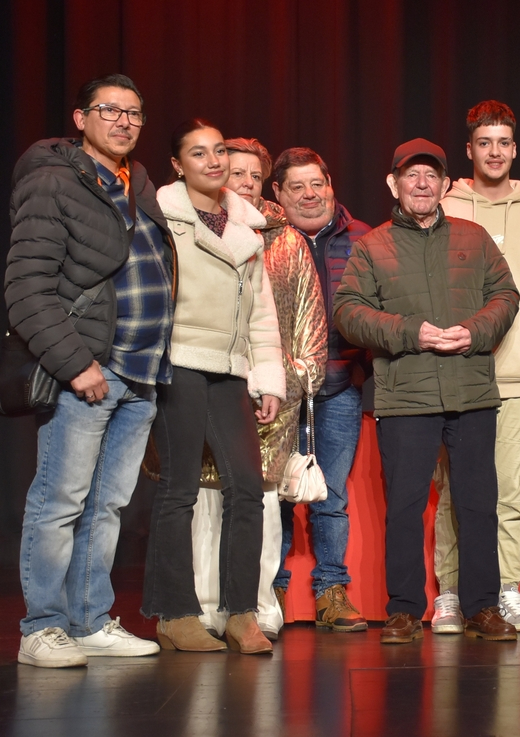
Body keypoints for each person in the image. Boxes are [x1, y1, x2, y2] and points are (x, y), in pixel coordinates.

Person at [7, 74, 173, 667]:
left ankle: (88, 620)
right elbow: (26, 289)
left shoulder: (137, 185)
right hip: (90, 369)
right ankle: (41, 628)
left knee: (106, 506)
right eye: (110, 110)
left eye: (134, 113)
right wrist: (76, 364)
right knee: (60, 501)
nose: (124, 122)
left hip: (141, 370)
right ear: (81, 119)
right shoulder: (53, 181)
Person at [334, 138, 520, 644]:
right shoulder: (372, 246)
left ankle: (483, 607)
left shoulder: (473, 238)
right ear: (393, 183)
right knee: (405, 506)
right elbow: (348, 311)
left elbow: (506, 295)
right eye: (411, 175)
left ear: (445, 184)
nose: (421, 183)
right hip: (405, 394)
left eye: (431, 175)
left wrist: (475, 331)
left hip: (471, 390)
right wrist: (408, 332)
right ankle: (403, 610)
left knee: (478, 504)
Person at [141, 119, 285, 655]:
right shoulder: (160, 214)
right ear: (177, 165)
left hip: (230, 366)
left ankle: (241, 613)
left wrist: (267, 377)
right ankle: (176, 615)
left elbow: (262, 311)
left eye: (219, 150)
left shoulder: (245, 223)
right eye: (198, 153)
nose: (213, 161)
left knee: (247, 485)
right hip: (179, 358)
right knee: (179, 487)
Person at [187, 138, 328, 641]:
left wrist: (291, 380)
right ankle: (206, 605)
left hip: (272, 399)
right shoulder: (199, 228)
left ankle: (259, 602)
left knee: (264, 503)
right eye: (236, 173)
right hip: (211, 385)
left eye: (253, 175)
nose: (245, 182)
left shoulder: (286, 241)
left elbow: (311, 325)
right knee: (206, 500)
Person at [432, 101, 520, 634]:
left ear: (515, 148)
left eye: (503, 143)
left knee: (511, 491)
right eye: (484, 143)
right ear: (469, 149)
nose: (494, 152)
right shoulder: (444, 206)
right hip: (455, 375)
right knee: (454, 493)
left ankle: (507, 589)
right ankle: (449, 593)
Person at [270, 147, 371, 633]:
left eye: (317, 184)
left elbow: (381, 307)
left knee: (330, 494)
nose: (310, 195)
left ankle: (332, 589)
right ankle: (271, 588)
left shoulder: (363, 238)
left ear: (331, 185)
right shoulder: (266, 240)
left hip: (339, 386)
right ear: (278, 193)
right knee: (276, 492)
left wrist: (361, 367)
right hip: (280, 389)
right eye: (297, 186)